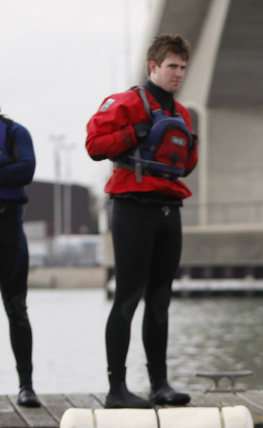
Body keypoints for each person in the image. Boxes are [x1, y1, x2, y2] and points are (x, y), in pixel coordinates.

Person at [86, 34, 198, 408]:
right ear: (154, 67)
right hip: (132, 208)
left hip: (169, 208)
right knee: (128, 296)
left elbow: (188, 161)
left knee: (161, 299)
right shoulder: (129, 102)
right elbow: (94, 145)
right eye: (172, 67)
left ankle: (159, 385)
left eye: (182, 67)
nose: (178, 73)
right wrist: (134, 132)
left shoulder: (182, 113)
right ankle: (116, 388)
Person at [0, 78, 40, 407]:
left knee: (17, 309)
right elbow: (13, 167)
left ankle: (26, 385)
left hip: (8, 228)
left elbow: (25, 170)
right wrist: (1, 164)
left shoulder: (14, 133)